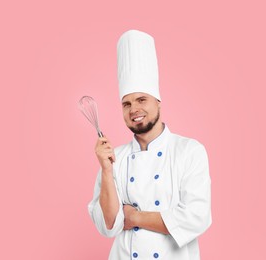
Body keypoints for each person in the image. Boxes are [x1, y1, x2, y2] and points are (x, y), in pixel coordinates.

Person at [88, 29, 212, 259]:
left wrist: (135, 218)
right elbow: (108, 225)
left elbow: (197, 217)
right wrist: (106, 170)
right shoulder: (115, 158)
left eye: (141, 99)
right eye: (126, 104)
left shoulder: (189, 151)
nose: (134, 109)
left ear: (158, 102)